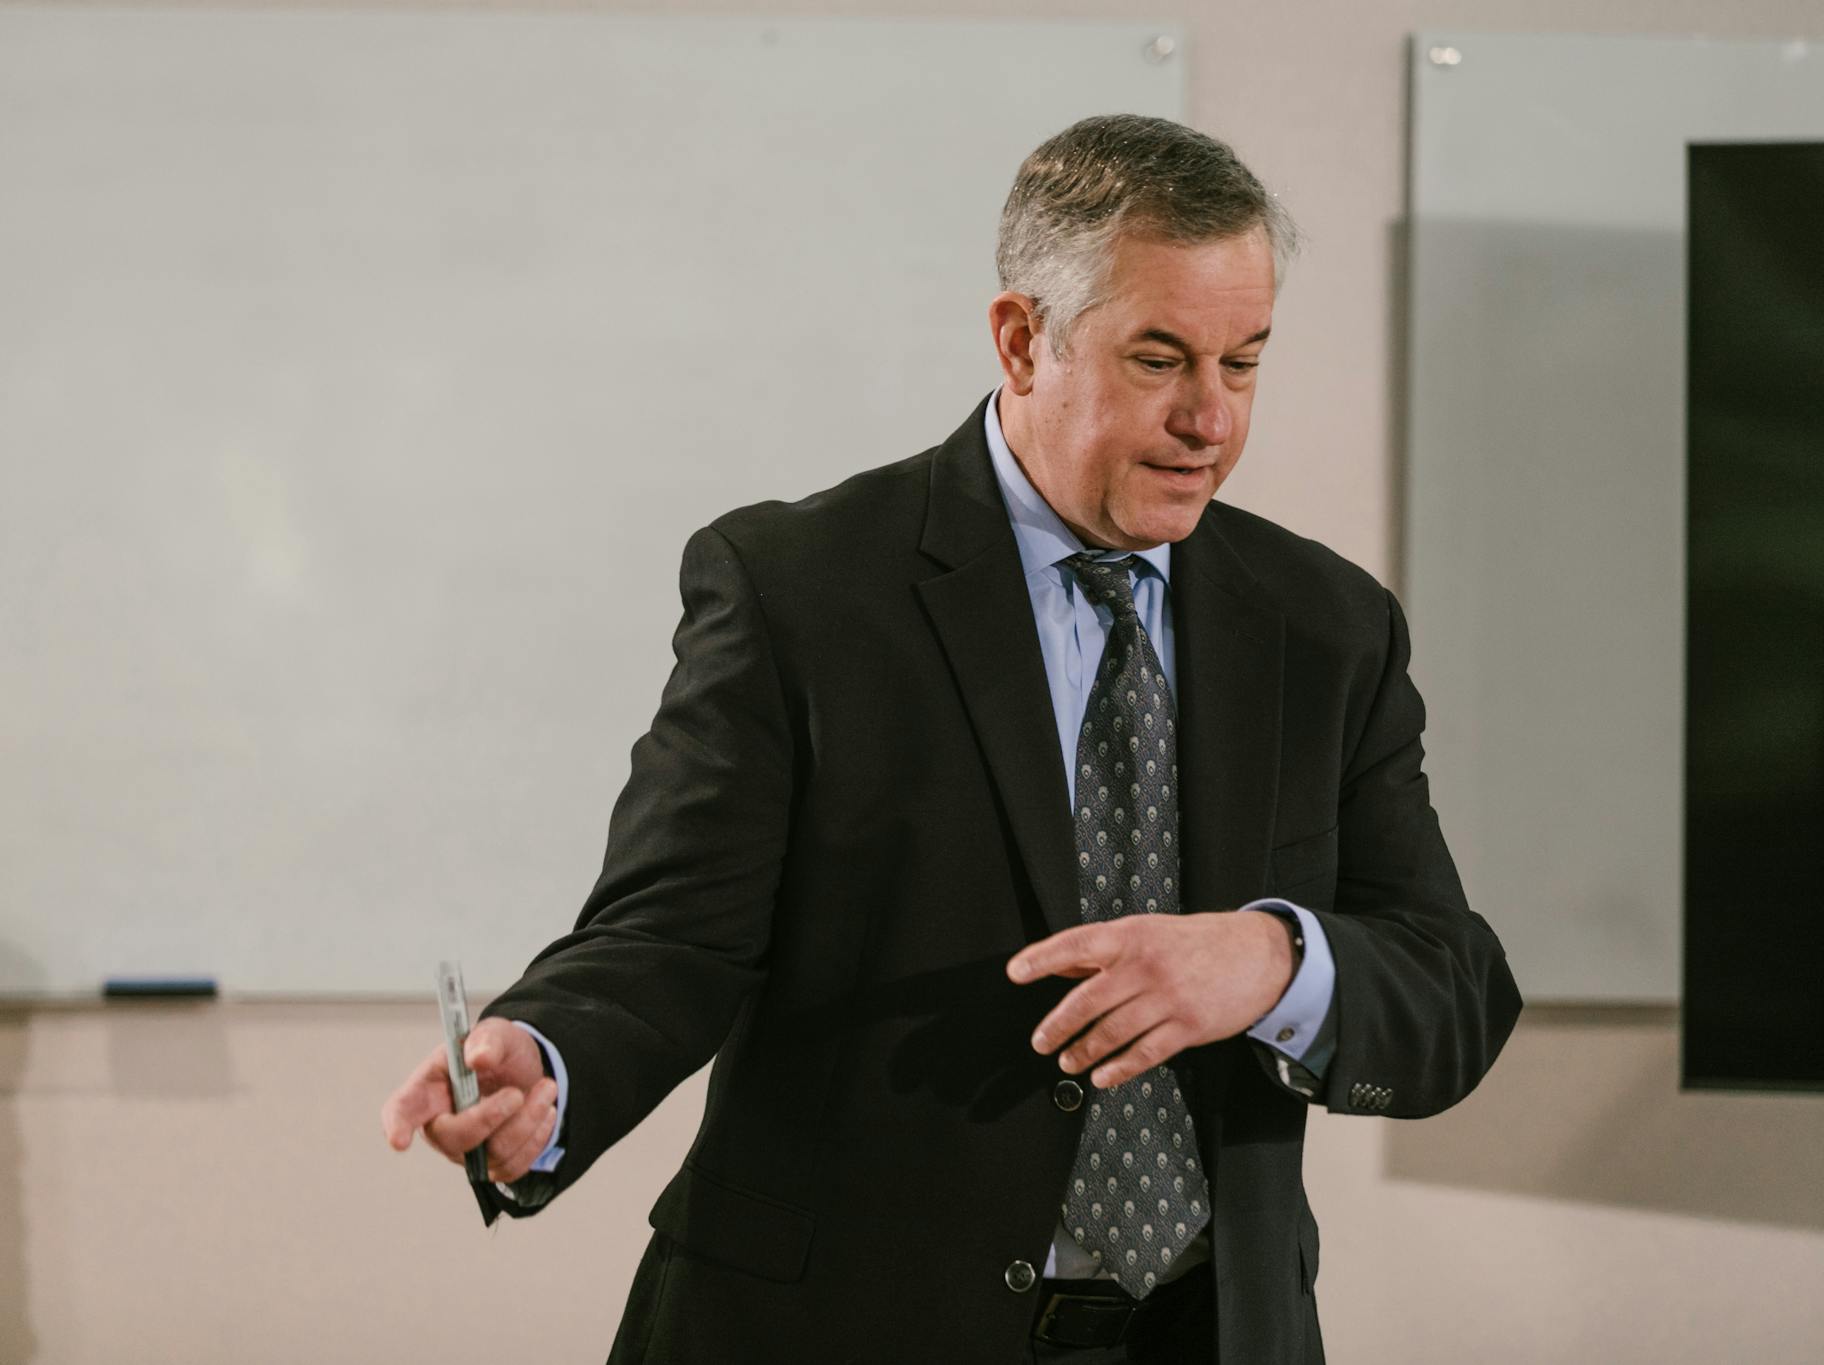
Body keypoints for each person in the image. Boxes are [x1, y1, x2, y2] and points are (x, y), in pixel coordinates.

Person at [380, 113, 1521, 1364]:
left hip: (1205, 1334)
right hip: (838, 1326)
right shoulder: (798, 588)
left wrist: (1269, 964)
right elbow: (670, 936)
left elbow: (1450, 989)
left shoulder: (1328, 627)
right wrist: (547, 1062)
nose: (1211, 420)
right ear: (1022, 341)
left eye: (1241, 364)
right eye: (1159, 359)